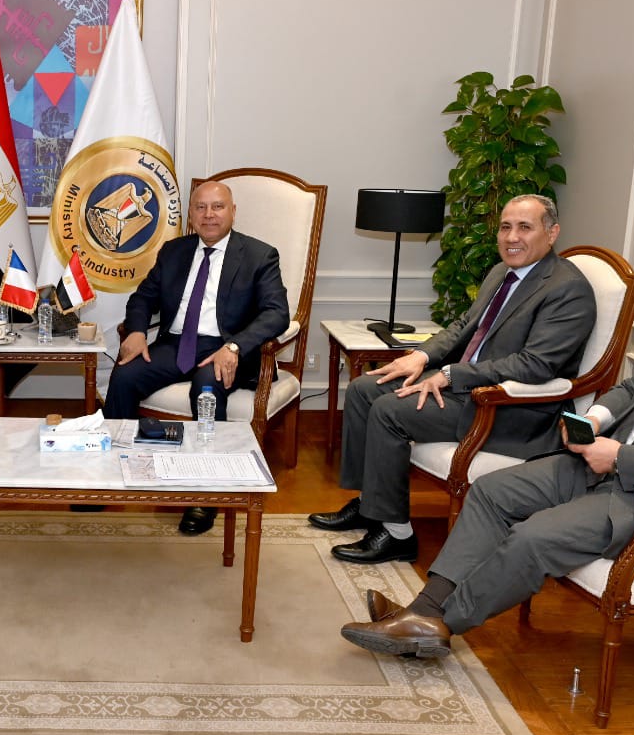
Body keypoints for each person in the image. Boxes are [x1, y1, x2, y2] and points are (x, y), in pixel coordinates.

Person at [339, 223, 634, 658]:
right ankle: (425, 608)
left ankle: (436, 623)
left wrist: (621, 457)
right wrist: (594, 419)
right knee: (492, 491)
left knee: (533, 537)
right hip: (605, 465)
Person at [309, 194, 595, 564]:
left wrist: (450, 374)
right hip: (469, 387)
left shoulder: (567, 289)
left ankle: (397, 535)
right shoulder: (501, 272)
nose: (512, 237)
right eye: (505, 227)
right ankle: (371, 506)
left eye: (525, 227)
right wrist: (422, 356)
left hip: (510, 408)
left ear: (552, 233)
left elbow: (535, 365)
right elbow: (464, 326)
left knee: (389, 411)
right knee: (365, 389)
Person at [103, 180, 290, 536]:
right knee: (125, 376)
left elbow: (277, 313)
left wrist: (235, 347)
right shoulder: (174, 251)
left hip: (224, 347)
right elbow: (143, 298)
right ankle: (112, 473)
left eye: (218, 207)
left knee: (206, 389)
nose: (209, 215)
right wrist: (138, 331)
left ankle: (205, 494)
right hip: (176, 344)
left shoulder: (259, 255)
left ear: (233, 212)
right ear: (191, 215)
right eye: (201, 207)